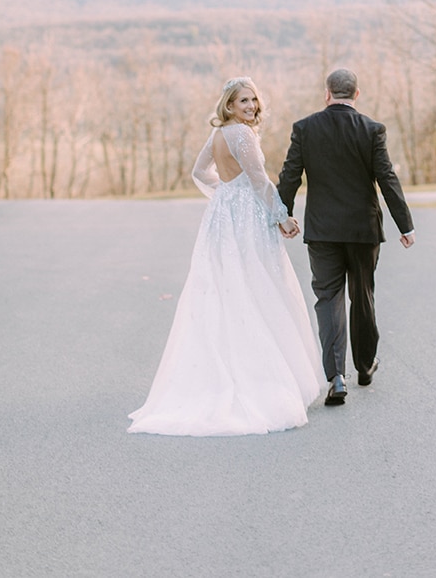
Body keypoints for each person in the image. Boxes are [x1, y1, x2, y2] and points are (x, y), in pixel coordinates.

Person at [128, 77, 326, 437]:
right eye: (243, 101)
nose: (251, 106)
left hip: (221, 218)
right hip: (246, 219)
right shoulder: (241, 134)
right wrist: (282, 217)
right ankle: (259, 379)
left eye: (253, 100)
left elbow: (199, 172)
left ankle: (223, 373)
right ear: (229, 105)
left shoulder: (217, 135)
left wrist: (223, 194)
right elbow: (259, 179)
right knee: (257, 287)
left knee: (227, 289)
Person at [277, 68, 415, 407]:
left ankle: (336, 376)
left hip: (323, 231)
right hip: (362, 230)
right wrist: (405, 225)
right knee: (362, 296)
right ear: (357, 93)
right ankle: (365, 366)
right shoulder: (371, 130)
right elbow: (386, 178)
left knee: (328, 299)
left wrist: (282, 217)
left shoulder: (305, 129)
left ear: (327, 93)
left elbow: (289, 177)